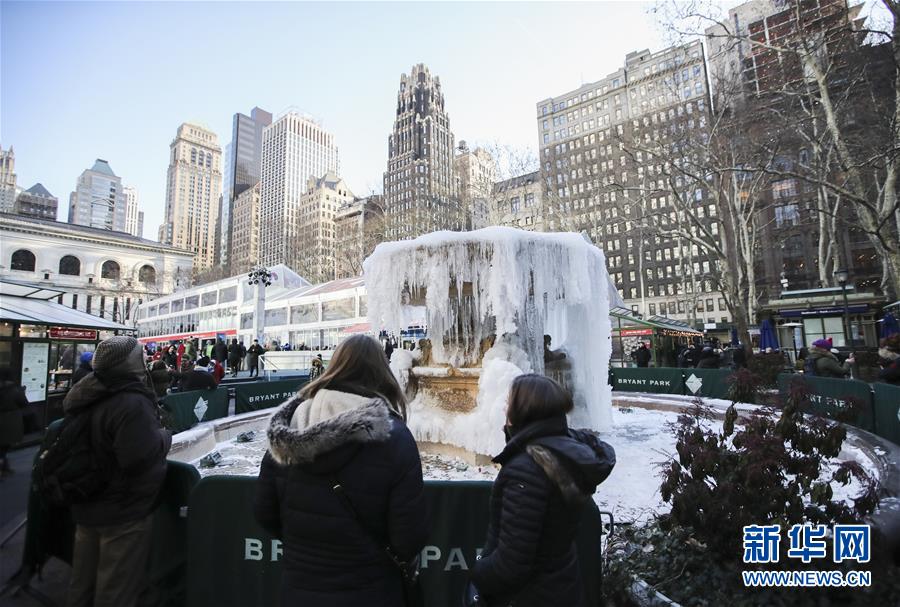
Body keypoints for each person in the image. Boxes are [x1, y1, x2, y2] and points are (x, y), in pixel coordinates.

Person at [254, 334, 428, 607]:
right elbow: (409, 537)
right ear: (382, 372)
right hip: (372, 591)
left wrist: (306, 547)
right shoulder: (394, 437)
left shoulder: (290, 428)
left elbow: (264, 512)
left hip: (299, 590)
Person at [468, 374, 615, 607]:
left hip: (531, 596)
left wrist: (476, 575)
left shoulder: (527, 470)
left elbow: (511, 565)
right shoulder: (558, 453)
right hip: (562, 586)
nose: (505, 407)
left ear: (524, 410)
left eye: (510, 402)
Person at [63, 336, 171, 607]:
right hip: (122, 510)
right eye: (141, 357)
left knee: (81, 584)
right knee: (115, 589)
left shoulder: (85, 392)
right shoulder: (130, 403)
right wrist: (164, 436)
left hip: (88, 500)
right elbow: (138, 457)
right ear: (131, 363)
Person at [0, 368, 27, 477]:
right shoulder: (15, 389)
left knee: (2, 447)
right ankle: (3, 468)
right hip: (11, 421)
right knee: (4, 446)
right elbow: (24, 403)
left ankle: (4, 467)